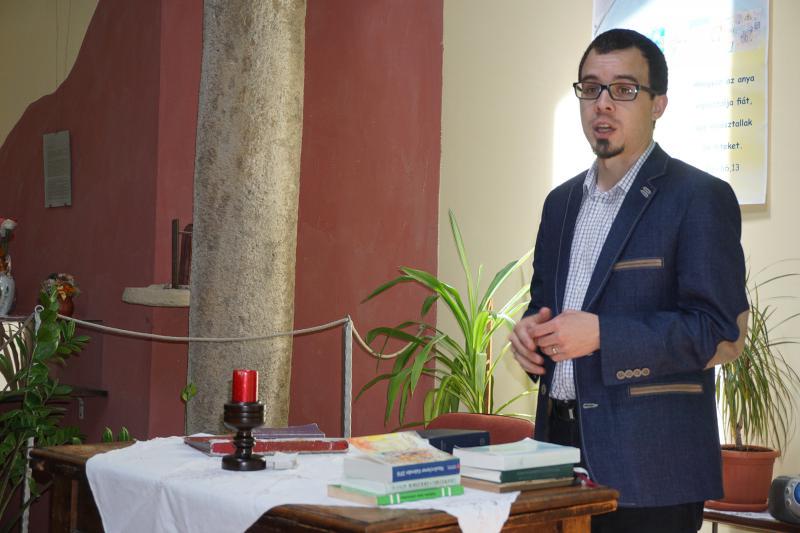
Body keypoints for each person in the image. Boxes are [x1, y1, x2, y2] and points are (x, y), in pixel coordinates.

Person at [509, 28, 749, 533]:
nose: (603, 103)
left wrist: (603, 334)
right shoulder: (560, 203)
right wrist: (531, 335)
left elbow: (719, 332)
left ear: (658, 103)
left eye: (623, 89)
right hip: (556, 455)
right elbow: (544, 306)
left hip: (651, 469)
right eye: (590, 88)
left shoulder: (698, 197)